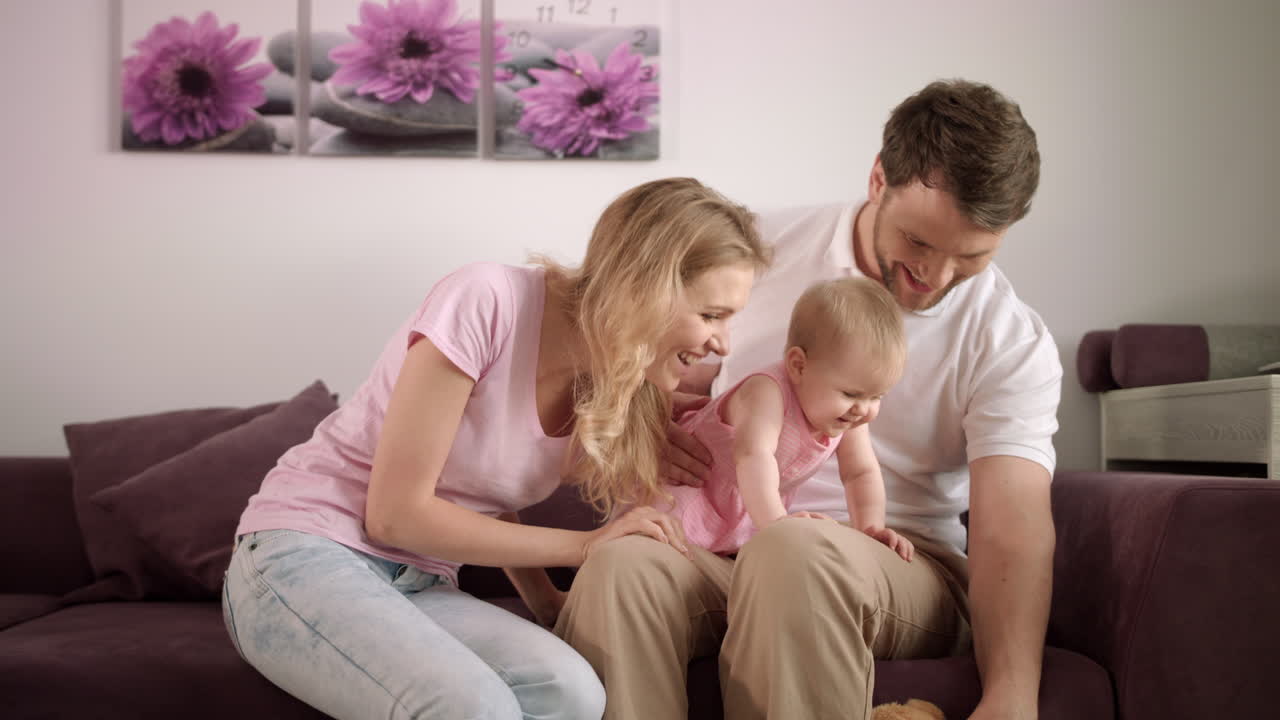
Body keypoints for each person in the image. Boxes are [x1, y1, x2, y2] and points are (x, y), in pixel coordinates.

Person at [555, 79, 1062, 720]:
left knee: (790, 550)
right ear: (879, 178)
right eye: (919, 243)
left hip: (898, 561)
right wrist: (647, 419)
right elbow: (629, 351)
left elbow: (1010, 529)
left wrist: (1012, 697)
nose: (934, 278)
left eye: (971, 258)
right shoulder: (756, 252)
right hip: (730, 541)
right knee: (623, 567)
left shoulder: (1009, 339)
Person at [221, 177, 771, 720]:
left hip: (421, 582)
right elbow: (394, 517)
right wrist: (585, 547)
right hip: (305, 551)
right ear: (645, 286)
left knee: (574, 694)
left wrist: (543, 599)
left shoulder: (613, 382)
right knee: (470, 707)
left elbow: (481, 483)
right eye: (712, 315)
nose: (721, 342)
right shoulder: (486, 299)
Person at [664, 276, 913, 562]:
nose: (863, 409)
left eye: (876, 397)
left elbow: (860, 473)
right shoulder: (766, 392)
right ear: (798, 366)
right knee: (669, 553)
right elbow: (753, 456)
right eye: (851, 393)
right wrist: (778, 527)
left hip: (746, 513)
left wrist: (871, 529)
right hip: (694, 496)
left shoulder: (848, 414)